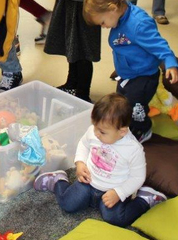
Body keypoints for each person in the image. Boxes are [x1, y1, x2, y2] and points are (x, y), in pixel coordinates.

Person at [32, 93, 166, 228]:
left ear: (122, 132)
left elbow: (137, 177)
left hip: (113, 190)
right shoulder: (94, 131)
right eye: (95, 126)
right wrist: (80, 163)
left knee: (117, 219)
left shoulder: (133, 149)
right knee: (68, 204)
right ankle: (57, 181)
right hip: (88, 182)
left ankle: (145, 199)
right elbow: (83, 144)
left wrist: (119, 193)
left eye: (102, 132)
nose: (96, 133)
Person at [83, 0, 178, 142]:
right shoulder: (118, 17)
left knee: (135, 109)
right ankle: (126, 125)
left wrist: (170, 63)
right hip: (127, 74)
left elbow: (160, 45)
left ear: (112, 8)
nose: (104, 27)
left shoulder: (139, 24)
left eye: (102, 22)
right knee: (121, 106)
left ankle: (143, 130)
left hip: (143, 76)